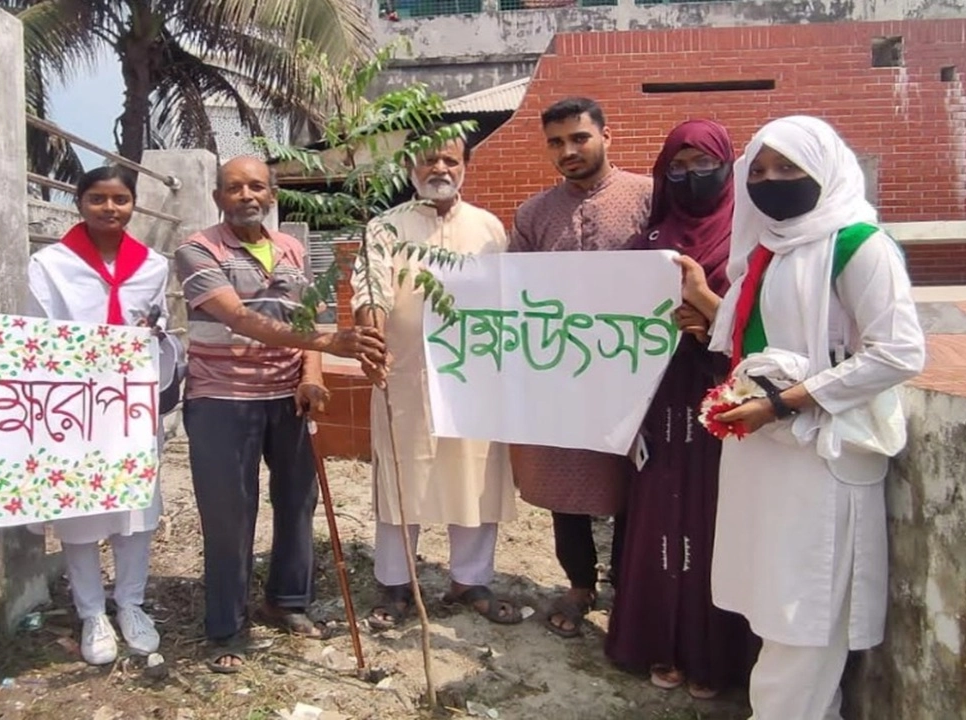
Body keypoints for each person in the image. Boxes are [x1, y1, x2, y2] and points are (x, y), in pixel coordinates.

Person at [676, 116, 925, 719]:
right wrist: (710, 320)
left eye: (789, 169)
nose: (771, 182)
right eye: (758, 171)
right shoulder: (767, 250)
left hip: (820, 456)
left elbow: (899, 352)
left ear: (826, 171)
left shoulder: (858, 245)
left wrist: (783, 402)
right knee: (774, 601)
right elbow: (764, 332)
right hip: (766, 453)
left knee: (804, 612)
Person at [172, 156, 386, 673]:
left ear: (272, 195)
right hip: (222, 398)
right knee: (229, 514)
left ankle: (287, 601)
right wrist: (332, 342)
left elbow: (308, 316)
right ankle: (226, 626)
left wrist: (313, 373)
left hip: (287, 397)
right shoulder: (197, 250)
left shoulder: (291, 249)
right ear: (219, 197)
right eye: (234, 187)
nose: (246, 195)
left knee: (297, 502)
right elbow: (243, 320)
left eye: (257, 187)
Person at [604, 119, 755, 698]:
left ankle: (711, 654)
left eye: (703, 162)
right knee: (657, 523)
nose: (691, 175)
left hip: (722, 405)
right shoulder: (650, 240)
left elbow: (764, 329)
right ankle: (657, 644)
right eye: (678, 165)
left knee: (714, 525)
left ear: (728, 165)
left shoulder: (748, 242)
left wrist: (709, 313)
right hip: (658, 403)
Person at [351, 134, 521, 629]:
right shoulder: (385, 227)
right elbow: (371, 287)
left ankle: (470, 580)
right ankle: (396, 583)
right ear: (411, 166)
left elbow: (508, 296)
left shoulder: (488, 228)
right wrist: (371, 331)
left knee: (474, 474)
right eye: (430, 159)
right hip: (404, 374)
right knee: (403, 474)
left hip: (475, 375)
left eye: (451, 159)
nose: (440, 168)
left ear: (465, 165)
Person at [23, 166, 184, 665]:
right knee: (81, 509)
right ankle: (91, 610)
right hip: (73, 405)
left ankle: (131, 602)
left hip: (131, 405)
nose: (109, 209)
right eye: (97, 199)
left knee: (135, 509)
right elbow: (37, 332)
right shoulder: (49, 263)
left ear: (132, 204)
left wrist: (155, 338)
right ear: (79, 202)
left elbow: (158, 323)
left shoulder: (154, 265)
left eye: (119, 199)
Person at [507, 96, 652, 638]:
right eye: (556, 142)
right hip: (560, 374)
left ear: (605, 136)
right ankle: (578, 583)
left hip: (635, 373)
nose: (568, 150)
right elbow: (513, 292)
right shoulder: (533, 214)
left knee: (638, 481)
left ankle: (631, 587)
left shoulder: (647, 198)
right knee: (566, 483)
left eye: (579, 138)